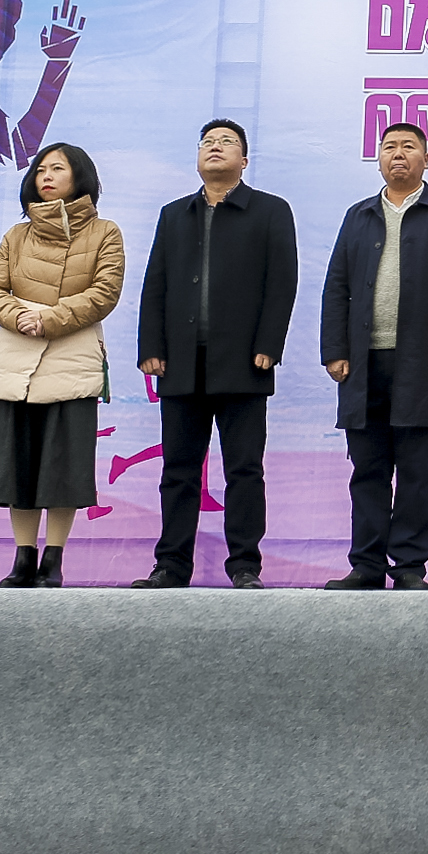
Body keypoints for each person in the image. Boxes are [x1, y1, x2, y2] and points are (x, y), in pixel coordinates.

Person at [132, 120, 298, 590]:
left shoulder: (270, 210)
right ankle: (170, 565)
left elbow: (282, 282)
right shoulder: (174, 214)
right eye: (207, 142)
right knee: (179, 470)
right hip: (181, 362)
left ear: (244, 160)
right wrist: (151, 346)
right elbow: (155, 282)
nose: (215, 147)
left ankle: (245, 565)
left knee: (244, 469)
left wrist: (269, 344)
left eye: (227, 142)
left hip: (244, 361)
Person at [320, 122, 428, 590]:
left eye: (409, 146)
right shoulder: (359, 215)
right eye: (389, 147)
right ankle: (366, 566)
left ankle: (408, 566)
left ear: (427, 158)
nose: (398, 154)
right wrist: (335, 350)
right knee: (367, 469)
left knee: (414, 471)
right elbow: (337, 285)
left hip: (422, 362)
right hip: (362, 363)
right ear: (379, 159)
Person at [0, 143, 124, 587]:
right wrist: (19, 316)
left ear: (80, 177)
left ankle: (53, 559)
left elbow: (105, 292)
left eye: (58, 168)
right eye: (41, 169)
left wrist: (49, 319)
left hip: (72, 358)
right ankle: (23, 558)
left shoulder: (105, 232)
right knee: (17, 463)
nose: (47, 176)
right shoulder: (16, 236)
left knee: (63, 465)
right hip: (17, 358)